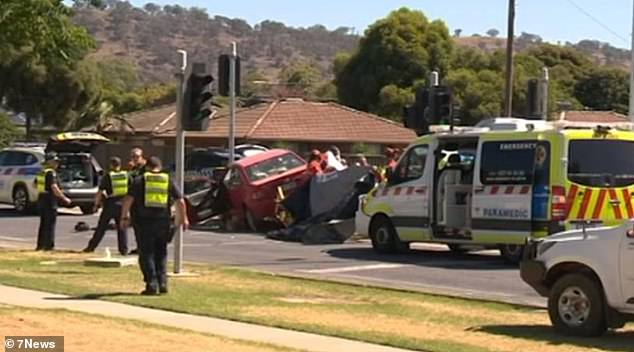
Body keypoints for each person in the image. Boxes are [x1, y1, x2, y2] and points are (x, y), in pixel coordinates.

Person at [120, 156, 188, 295]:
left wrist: (124, 216)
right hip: (163, 222)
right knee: (161, 253)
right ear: (160, 166)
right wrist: (184, 218)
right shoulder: (167, 180)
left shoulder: (140, 180)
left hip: (144, 222)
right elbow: (180, 201)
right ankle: (163, 283)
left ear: (147, 167)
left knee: (146, 254)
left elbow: (128, 199)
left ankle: (151, 284)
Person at [83, 157, 130, 255]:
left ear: (111, 165)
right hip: (123, 204)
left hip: (111, 203)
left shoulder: (108, 176)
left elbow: (100, 192)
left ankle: (91, 247)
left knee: (101, 227)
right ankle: (123, 250)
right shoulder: (126, 175)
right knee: (122, 228)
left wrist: (96, 204)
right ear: (120, 165)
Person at [35, 153, 71, 251]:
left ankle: (40, 245)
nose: (57, 163)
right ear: (50, 162)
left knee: (43, 223)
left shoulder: (41, 172)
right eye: (55, 161)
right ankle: (49, 246)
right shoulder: (51, 173)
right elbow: (54, 187)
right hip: (49, 199)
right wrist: (64, 198)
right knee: (50, 223)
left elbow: (35, 185)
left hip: (41, 197)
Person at [127, 148, 147, 254]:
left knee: (144, 226)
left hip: (144, 200)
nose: (135, 159)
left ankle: (144, 247)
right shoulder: (133, 168)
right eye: (133, 157)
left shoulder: (145, 168)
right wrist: (130, 170)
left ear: (141, 157)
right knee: (136, 225)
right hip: (134, 201)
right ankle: (139, 246)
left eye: (137, 157)